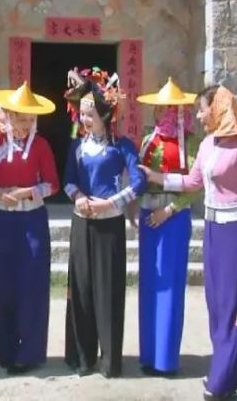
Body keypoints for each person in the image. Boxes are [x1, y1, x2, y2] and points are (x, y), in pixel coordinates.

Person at [139, 84, 237, 401]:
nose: (198, 116)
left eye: (202, 109)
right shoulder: (209, 144)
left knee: (236, 305)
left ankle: (220, 381)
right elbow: (193, 181)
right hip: (212, 230)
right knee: (217, 305)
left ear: (218, 110)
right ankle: (228, 372)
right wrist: (156, 177)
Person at [61, 67, 147, 379]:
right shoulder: (77, 146)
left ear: (105, 114)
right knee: (82, 289)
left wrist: (111, 203)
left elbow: (139, 183)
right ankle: (82, 357)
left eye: (90, 114)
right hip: (82, 223)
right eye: (82, 114)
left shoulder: (121, 145)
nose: (84, 119)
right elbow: (67, 181)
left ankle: (110, 360)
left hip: (109, 225)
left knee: (108, 292)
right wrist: (78, 197)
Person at [0, 81, 59, 375]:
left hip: (32, 222)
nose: (25, 125)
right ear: (9, 116)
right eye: (20, 118)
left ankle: (29, 352)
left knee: (32, 284)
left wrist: (26, 192)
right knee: (3, 284)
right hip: (2, 221)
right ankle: (4, 350)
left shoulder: (41, 146)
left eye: (30, 119)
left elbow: (52, 184)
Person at [135, 77, 200, 377]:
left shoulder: (191, 142)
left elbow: (195, 185)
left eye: (168, 108)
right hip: (148, 217)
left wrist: (170, 209)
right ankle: (148, 355)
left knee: (170, 285)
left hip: (173, 217)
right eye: (159, 108)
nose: (161, 113)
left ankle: (166, 358)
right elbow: (140, 178)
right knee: (150, 284)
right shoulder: (149, 140)